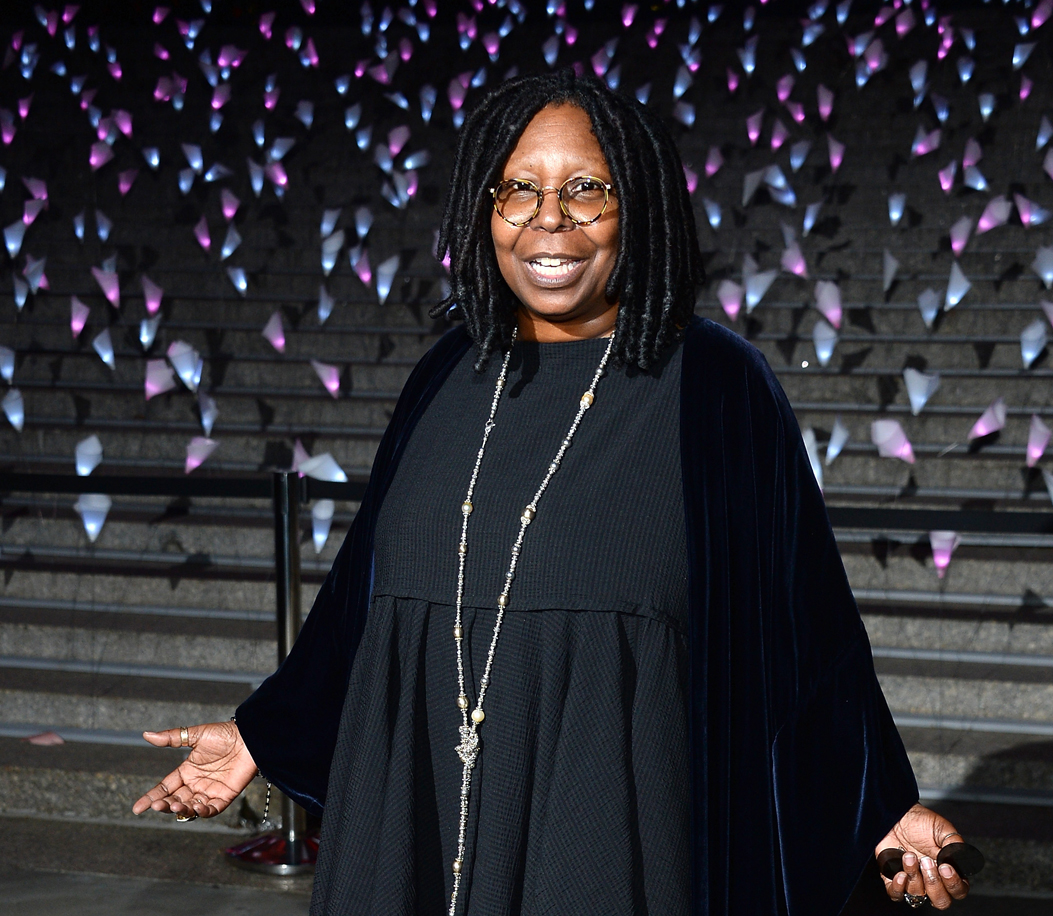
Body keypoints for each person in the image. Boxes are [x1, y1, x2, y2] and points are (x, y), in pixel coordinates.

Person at [134, 71, 972, 916]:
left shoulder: (714, 385)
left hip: (604, 833)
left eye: (586, 190)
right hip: (413, 821)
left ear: (636, 205)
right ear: (482, 207)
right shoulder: (444, 374)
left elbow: (803, 623)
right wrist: (259, 735)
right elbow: (362, 604)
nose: (549, 219)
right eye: (519, 190)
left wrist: (876, 802)